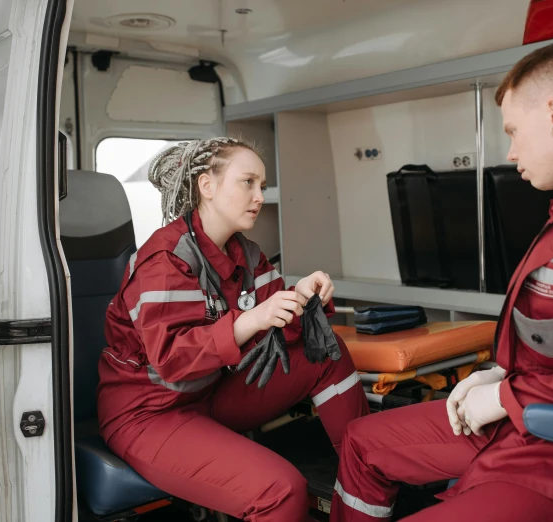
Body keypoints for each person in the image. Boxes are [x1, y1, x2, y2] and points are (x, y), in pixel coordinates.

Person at [330, 41, 553, 522]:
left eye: (513, 131)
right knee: (362, 441)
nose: (510, 151)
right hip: (534, 419)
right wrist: (503, 374)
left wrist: (506, 395)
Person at [97, 137, 369, 522]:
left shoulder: (245, 253)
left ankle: (365, 479)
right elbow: (172, 359)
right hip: (149, 415)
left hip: (212, 392)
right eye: (248, 182)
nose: (259, 195)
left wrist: (304, 297)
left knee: (327, 351)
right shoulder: (165, 260)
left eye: (262, 184)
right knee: (281, 491)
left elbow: (280, 329)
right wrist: (250, 321)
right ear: (207, 186)